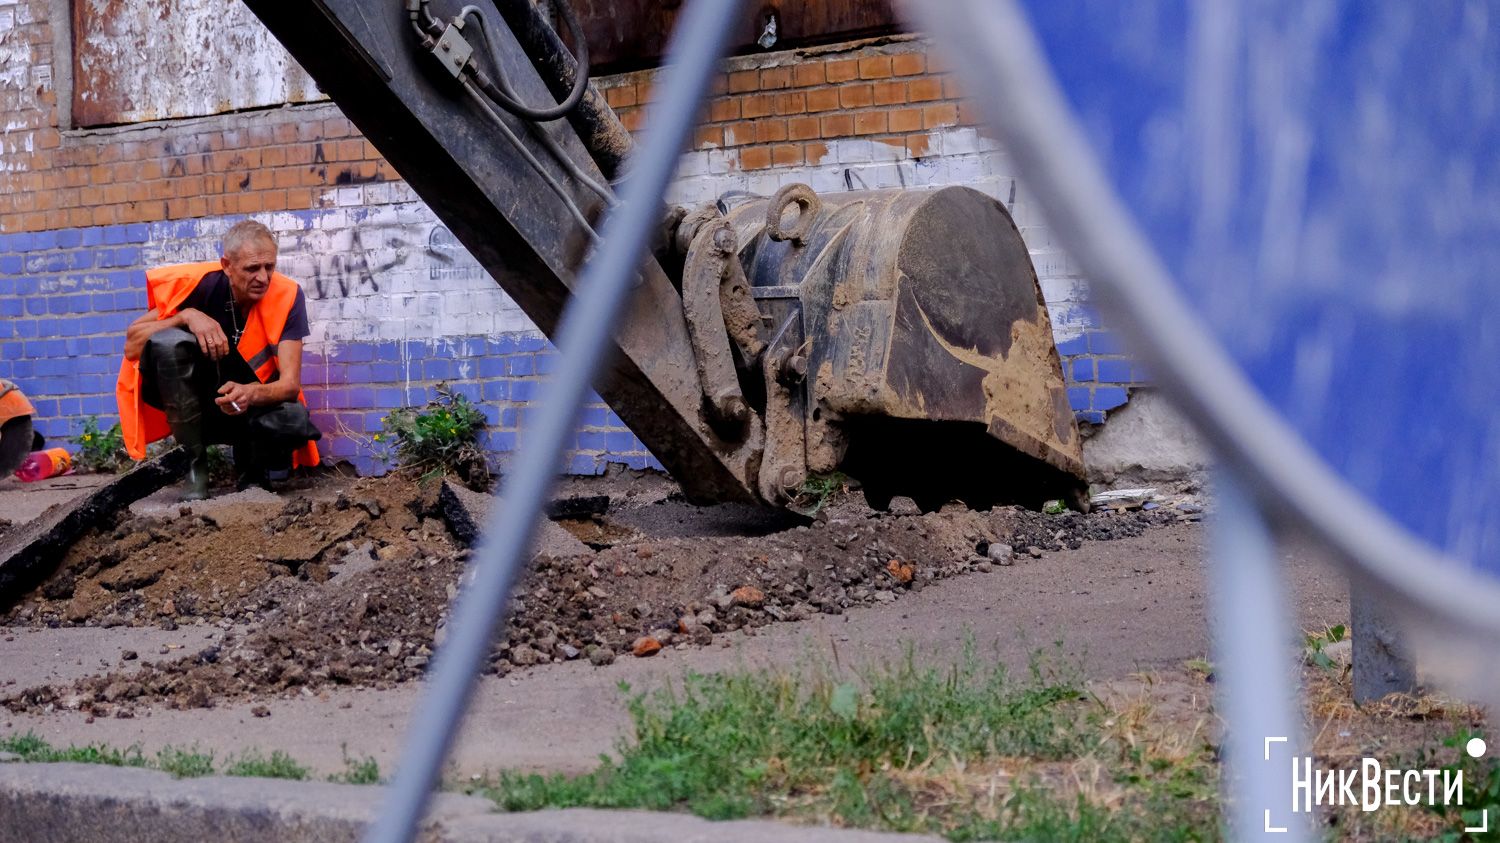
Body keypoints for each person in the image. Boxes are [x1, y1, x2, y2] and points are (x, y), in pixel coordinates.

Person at [116, 220, 321, 500]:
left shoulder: (287, 295)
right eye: (252, 268)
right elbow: (133, 345)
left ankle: (253, 473)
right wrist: (185, 317)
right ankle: (195, 469)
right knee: (167, 341)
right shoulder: (198, 286)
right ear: (227, 265)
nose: (263, 277)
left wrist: (250, 393)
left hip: (249, 408)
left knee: (294, 419)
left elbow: (289, 386)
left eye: (269, 267)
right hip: (195, 409)